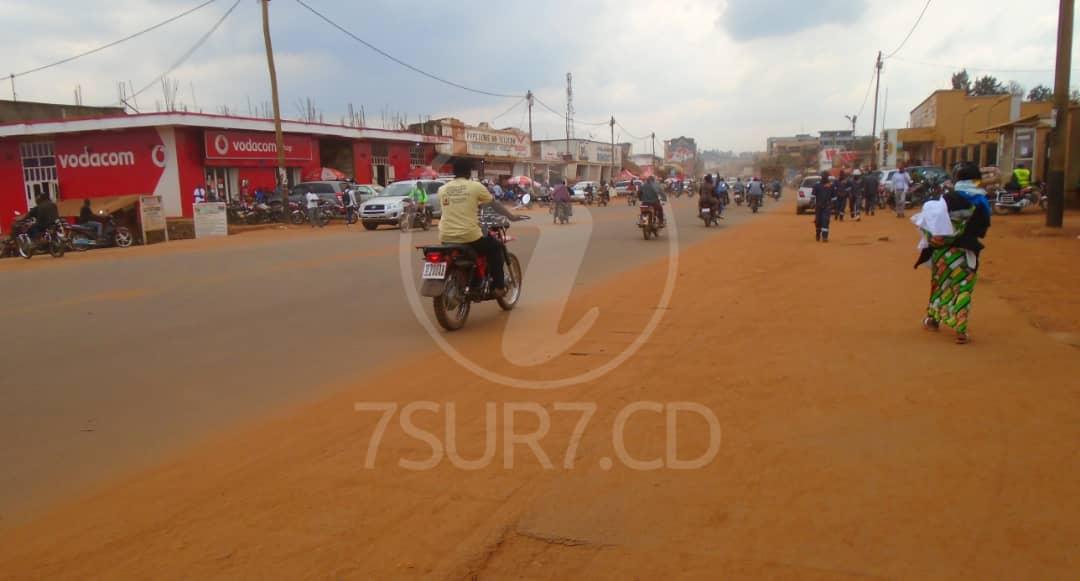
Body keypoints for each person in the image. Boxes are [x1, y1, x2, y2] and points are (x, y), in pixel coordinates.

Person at [913, 162, 990, 345]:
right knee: (963, 288)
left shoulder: (946, 199)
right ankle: (961, 330)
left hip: (942, 253)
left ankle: (933, 320)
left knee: (940, 286)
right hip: (966, 253)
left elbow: (930, 225)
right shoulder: (981, 202)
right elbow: (982, 230)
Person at [438, 159, 508, 296]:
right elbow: (493, 204)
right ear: (469, 172)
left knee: (475, 251)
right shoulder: (475, 186)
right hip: (469, 236)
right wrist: (511, 216)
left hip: (446, 237)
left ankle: (475, 279)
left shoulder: (442, 189)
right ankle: (498, 287)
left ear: (454, 172)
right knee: (496, 247)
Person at [812, 172, 834, 242]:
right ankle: (818, 233)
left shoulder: (830, 186)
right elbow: (813, 195)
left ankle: (825, 236)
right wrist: (812, 203)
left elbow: (833, 196)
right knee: (818, 221)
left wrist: (833, 205)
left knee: (825, 221)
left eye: (826, 176)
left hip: (827, 206)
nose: (824, 178)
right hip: (818, 206)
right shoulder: (816, 185)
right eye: (823, 176)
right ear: (821, 177)